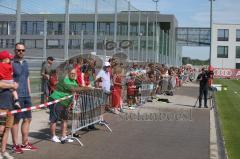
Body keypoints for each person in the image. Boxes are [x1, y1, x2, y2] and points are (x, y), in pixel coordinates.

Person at [11, 42, 38, 154]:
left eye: (22, 50)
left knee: (28, 119)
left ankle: (25, 143)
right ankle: (15, 145)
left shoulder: (26, 63)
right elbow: (9, 80)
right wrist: (14, 95)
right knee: (16, 120)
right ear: (15, 51)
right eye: (18, 50)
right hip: (16, 96)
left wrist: (29, 92)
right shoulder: (11, 63)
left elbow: (27, 78)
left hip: (26, 95)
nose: (20, 52)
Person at [49, 68, 81, 143]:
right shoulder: (66, 80)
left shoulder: (74, 81)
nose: (73, 74)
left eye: (74, 73)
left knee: (65, 119)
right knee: (54, 119)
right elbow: (73, 89)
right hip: (56, 100)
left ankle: (63, 136)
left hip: (64, 103)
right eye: (71, 73)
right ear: (68, 74)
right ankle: (53, 136)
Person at [0, 80, 18, 159]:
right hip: (1, 107)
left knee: (7, 130)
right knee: (0, 130)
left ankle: (3, 151)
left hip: (10, 107)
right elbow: (1, 85)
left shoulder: (10, 77)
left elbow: (16, 86)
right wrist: (11, 85)